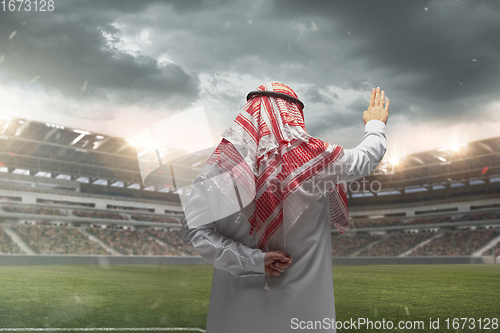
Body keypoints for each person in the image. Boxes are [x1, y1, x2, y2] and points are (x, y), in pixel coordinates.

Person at [181, 82, 388, 333]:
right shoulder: (319, 161)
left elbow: (194, 231)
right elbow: (367, 157)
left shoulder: (221, 168)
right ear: (296, 116)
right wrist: (375, 123)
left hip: (234, 317)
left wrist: (253, 261)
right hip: (307, 317)